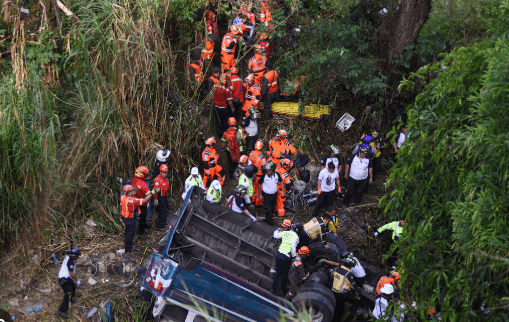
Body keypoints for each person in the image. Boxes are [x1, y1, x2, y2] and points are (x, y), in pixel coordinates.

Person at [121, 184, 154, 251]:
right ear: (128, 192)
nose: (134, 191)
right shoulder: (131, 201)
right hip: (129, 218)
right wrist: (152, 193)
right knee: (130, 232)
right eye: (132, 191)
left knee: (128, 231)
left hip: (125, 216)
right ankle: (128, 248)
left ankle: (128, 244)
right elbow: (144, 201)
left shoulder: (123, 197)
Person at [271, 219, 299, 295]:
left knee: (277, 272)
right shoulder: (296, 236)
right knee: (284, 273)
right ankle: (283, 290)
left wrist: (277, 230)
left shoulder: (285, 232)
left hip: (278, 254)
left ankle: (273, 288)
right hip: (285, 257)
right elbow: (293, 248)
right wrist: (294, 257)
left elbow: (275, 235)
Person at [56, 247, 82, 318]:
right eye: (77, 256)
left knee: (73, 287)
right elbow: (71, 273)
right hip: (64, 279)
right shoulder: (70, 261)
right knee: (68, 294)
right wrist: (77, 279)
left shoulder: (69, 257)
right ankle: (61, 311)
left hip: (67, 278)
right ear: (74, 256)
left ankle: (70, 299)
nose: (77, 258)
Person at [258, 161, 283, 225]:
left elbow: (281, 181)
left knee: (273, 207)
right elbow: (259, 183)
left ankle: (269, 217)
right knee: (267, 208)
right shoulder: (264, 176)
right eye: (267, 170)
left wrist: (283, 190)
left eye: (269, 170)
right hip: (266, 195)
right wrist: (260, 194)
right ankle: (269, 221)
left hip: (274, 194)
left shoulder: (277, 175)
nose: (268, 172)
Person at [132, 166, 152, 235]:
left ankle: (144, 225)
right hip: (142, 202)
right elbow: (149, 194)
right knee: (143, 215)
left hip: (136, 200)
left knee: (141, 215)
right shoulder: (143, 185)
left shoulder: (134, 180)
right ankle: (141, 230)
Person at [249, 140, 267, 206]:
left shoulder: (251, 153)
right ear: (261, 147)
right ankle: (258, 203)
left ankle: (253, 200)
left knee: (253, 188)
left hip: (252, 174)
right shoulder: (261, 157)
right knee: (259, 190)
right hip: (259, 175)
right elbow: (263, 168)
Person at [153, 164, 170, 231]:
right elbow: (155, 190)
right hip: (160, 196)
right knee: (163, 211)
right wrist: (155, 199)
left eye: (166, 172)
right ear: (160, 172)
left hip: (164, 196)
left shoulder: (166, 178)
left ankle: (163, 222)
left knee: (164, 210)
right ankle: (160, 226)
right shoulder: (158, 180)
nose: (165, 174)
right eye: (163, 172)